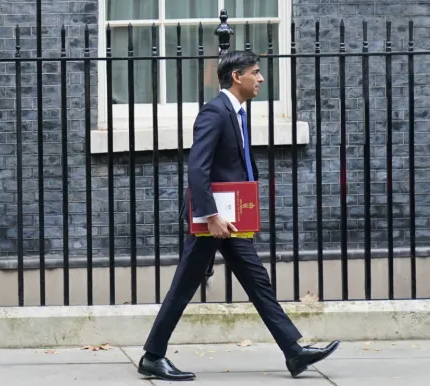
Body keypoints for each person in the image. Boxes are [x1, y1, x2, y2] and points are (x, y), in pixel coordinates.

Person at [138, 49, 339, 381]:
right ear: (237, 76)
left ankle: (294, 352)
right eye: (255, 72)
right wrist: (211, 216)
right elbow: (197, 169)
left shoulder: (237, 113)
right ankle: (153, 356)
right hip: (213, 221)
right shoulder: (214, 113)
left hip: (229, 220)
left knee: (257, 281)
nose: (260, 79)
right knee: (184, 286)